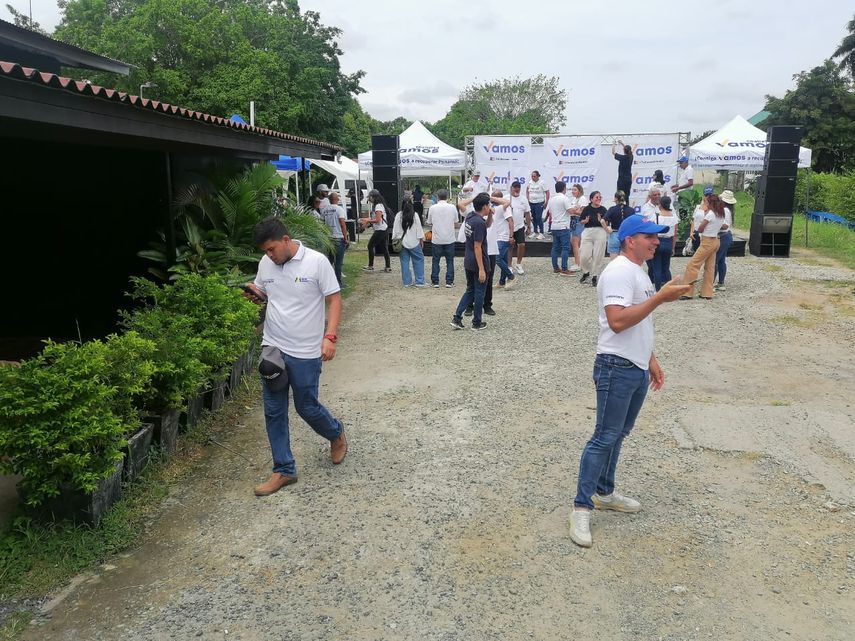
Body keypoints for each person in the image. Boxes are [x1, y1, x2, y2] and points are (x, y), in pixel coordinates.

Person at [569, 215, 691, 547]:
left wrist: (650, 360)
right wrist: (660, 298)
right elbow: (618, 321)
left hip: (634, 366)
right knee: (603, 437)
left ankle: (604, 492)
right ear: (629, 240)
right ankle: (581, 507)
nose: (656, 242)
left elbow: (640, 322)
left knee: (618, 434)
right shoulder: (620, 272)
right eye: (649, 237)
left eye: (657, 237)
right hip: (615, 366)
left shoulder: (639, 271)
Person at [245, 218, 347, 497]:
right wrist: (255, 295)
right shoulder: (266, 263)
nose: (269, 255)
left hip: (305, 350)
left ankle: (336, 433)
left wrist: (330, 337)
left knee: (306, 406)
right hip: (273, 347)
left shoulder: (316, 262)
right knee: (274, 410)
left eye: (272, 249)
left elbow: (334, 299)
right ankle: (284, 469)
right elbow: (265, 291)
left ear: (286, 240)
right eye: (265, 251)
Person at [450, 192, 492, 331]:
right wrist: (481, 269)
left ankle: (457, 318)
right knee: (479, 292)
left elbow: (487, 225)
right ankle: (477, 322)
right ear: (485, 206)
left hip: (468, 260)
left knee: (470, 290)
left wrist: (490, 214)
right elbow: (477, 246)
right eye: (489, 205)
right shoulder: (478, 222)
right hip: (477, 261)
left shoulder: (471, 217)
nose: (490, 207)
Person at [681, 194, 727, 300]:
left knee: (692, 265)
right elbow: (724, 226)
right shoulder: (721, 213)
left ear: (710, 203)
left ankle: (687, 292)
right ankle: (707, 292)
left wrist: (705, 215)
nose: (705, 203)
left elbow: (700, 229)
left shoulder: (710, 214)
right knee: (710, 268)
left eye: (706, 202)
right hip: (715, 240)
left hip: (707, 241)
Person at [645, 195, 679, 291]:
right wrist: (673, 247)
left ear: (660, 204)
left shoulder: (657, 216)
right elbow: (675, 233)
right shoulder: (674, 217)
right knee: (666, 267)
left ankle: (658, 289)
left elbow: (652, 231)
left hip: (658, 241)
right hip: (668, 241)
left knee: (657, 267)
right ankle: (670, 288)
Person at [391, 197, 426, 287]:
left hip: (401, 242)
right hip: (414, 241)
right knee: (418, 260)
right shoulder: (415, 215)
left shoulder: (399, 215)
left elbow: (395, 230)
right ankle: (419, 281)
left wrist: (395, 239)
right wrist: (421, 239)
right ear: (412, 204)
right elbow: (419, 229)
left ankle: (407, 282)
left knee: (404, 262)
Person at [578, 191, 610, 287]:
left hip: (600, 232)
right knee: (584, 255)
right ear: (591, 199)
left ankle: (595, 276)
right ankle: (586, 272)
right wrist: (585, 221)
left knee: (598, 255)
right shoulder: (587, 209)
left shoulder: (603, 209)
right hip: (588, 232)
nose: (599, 199)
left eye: (600, 197)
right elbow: (581, 221)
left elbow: (607, 223)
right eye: (597, 197)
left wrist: (601, 221)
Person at [427, 189, 458, 288]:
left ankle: (435, 281)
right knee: (450, 260)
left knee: (436, 260)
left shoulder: (432, 208)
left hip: (437, 238)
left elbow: (429, 222)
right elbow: (456, 221)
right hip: (449, 238)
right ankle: (449, 281)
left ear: (437, 196)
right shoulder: (452, 207)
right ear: (447, 197)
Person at [320, 192, 349, 285]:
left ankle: (327, 281)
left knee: (330, 261)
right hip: (338, 237)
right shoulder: (339, 209)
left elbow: (322, 223)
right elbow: (342, 224)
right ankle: (338, 282)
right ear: (336, 199)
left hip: (329, 238)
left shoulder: (324, 210)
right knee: (338, 262)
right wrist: (346, 237)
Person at [359, 190, 392, 273]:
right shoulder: (379, 205)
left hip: (380, 230)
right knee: (384, 248)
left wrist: (367, 221)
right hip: (384, 229)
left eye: (369, 197)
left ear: (373, 197)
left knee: (370, 246)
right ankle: (388, 267)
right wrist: (367, 220)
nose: (369, 199)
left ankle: (370, 266)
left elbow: (377, 220)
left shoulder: (378, 206)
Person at [547, 181, 573, 275]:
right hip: (563, 226)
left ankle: (555, 267)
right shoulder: (565, 198)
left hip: (554, 226)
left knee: (555, 248)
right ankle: (564, 268)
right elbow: (570, 211)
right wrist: (578, 210)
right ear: (564, 188)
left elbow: (549, 212)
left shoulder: (551, 199)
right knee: (565, 248)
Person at [507, 181, 531, 275]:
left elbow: (527, 213)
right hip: (509, 227)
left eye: (518, 187)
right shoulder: (507, 198)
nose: (516, 189)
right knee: (510, 246)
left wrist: (529, 226)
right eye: (515, 187)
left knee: (521, 245)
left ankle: (518, 264)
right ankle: (509, 266)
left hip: (520, 226)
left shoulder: (523, 199)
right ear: (511, 188)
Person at [715, 190, 736, 291]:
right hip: (725, 236)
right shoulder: (727, 210)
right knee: (721, 260)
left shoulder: (725, 210)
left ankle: (710, 283)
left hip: (722, 236)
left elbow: (725, 226)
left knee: (714, 260)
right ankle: (721, 282)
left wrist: (713, 224)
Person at [604, 191, 633, 257]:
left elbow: (602, 220)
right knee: (626, 261)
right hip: (626, 236)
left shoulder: (612, 209)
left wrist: (607, 230)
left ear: (616, 199)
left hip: (614, 234)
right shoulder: (631, 210)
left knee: (614, 262)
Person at [567, 183, 588, 273]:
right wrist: (575, 210)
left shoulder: (582, 199)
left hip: (579, 221)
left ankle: (578, 264)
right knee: (575, 243)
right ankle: (579, 263)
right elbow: (572, 210)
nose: (573, 191)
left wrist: (574, 211)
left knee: (575, 242)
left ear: (579, 190)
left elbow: (582, 213)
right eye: (572, 190)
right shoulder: (574, 199)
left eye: (575, 190)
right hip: (573, 221)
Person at [526, 170, 550, 239]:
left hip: (539, 202)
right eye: (532, 176)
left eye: (534, 176)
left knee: (538, 217)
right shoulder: (530, 182)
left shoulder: (542, 182)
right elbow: (527, 190)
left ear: (538, 176)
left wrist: (546, 202)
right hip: (531, 202)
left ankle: (541, 233)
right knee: (533, 217)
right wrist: (527, 198)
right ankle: (535, 231)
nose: (533, 177)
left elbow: (547, 192)